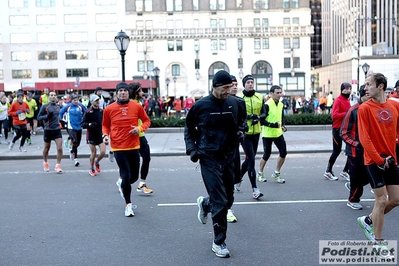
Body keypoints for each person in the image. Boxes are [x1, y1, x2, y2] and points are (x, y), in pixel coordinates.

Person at [185, 70, 243, 258]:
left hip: (229, 156)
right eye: (225, 88)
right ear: (215, 86)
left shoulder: (235, 103)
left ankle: (205, 204)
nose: (229, 91)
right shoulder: (200, 106)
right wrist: (192, 150)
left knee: (228, 199)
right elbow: (189, 128)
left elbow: (241, 124)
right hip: (208, 157)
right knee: (220, 201)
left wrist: (241, 132)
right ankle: (219, 242)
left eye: (231, 87)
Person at [357, 72, 399, 257]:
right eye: (365, 85)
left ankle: (368, 220)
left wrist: (391, 157)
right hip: (374, 161)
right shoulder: (364, 108)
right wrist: (379, 160)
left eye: (369, 84)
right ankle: (378, 242)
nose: (365, 88)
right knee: (381, 201)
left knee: (396, 200)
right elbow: (364, 139)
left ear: (380, 86)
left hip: (391, 159)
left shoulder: (394, 106)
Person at [102, 82, 151, 217]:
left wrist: (139, 129)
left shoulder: (136, 106)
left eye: (125, 91)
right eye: (120, 91)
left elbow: (147, 121)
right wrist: (105, 136)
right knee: (125, 174)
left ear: (129, 93)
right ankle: (128, 205)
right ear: (116, 93)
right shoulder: (109, 109)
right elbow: (105, 125)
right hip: (118, 147)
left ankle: (123, 184)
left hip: (134, 146)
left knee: (134, 176)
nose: (123, 93)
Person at [115, 82, 154, 194]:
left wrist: (140, 128)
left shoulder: (138, 103)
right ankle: (122, 179)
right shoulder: (131, 104)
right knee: (128, 160)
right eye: (141, 90)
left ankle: (141, 183)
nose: (143, 93)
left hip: (140, 134)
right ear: (136, 92)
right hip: (132, 137)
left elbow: (146, 120)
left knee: (146, 158)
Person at [340, 85, 370, 210]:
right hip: (354, 151)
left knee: (371, 175)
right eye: (368, 96)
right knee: (357, 176)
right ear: (362, 96)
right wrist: (356, 143)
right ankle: (353, 199)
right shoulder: (353, 110)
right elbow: (344, 132)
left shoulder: (372, 109)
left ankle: (353, 185)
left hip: (369, 150)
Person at [238, 74, 264, 199]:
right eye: (248, 82)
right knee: (252, 159)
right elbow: (237, 115)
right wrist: (247, 118)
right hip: (245, 133)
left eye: (252, 82)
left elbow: (265, 113)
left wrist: (258, 118)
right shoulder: (239, 98)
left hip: (256, 132)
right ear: (244, 84)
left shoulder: (259, 97)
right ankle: (255, 189)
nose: (250, 84)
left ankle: (236, 179)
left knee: (249, 159)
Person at [226, 75, 247, 223]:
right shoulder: (218, 102)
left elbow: (243, 122)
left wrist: (241, 131)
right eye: (231, 84)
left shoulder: (239, 102)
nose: (234, 87)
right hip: (218, 147)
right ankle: (221, 206)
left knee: (232, 179)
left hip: (233, 146)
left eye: (235, 84)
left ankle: (227, 207)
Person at [257, 85, 287, 184]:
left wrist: (283, 126)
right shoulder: (266, 105)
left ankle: (276, 173)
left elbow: (281, 118)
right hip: (268, 134)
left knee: (283, 152)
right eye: (277, 93)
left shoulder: (281, 105)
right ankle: (260, 173)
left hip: (278, 133)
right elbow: (261, 121)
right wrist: (273, 125)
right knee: (267, 154)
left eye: (280, 92)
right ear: (271, 93)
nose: (279, 95)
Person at [324, 82, 351, 181]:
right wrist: (347, 113)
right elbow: (334, 115)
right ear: (342, 90)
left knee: (352, 149)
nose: (348, 91)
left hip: (345, 129)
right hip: (337, 129)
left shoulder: (347, 100)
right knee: (337, 150)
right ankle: (328, 171)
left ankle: (345, 171)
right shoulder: (338, 100)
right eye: (346, 89)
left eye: (349, 89)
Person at [37, 91, 63, 173]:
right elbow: (38, 117)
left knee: (59, 148)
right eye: (51, 95)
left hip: (57, 129)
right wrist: (47, 116)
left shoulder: (59, 106)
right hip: (48, 129)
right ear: (49, 97)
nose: (53, 96)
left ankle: (58, 165)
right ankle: (45, 162)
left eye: (54, 95)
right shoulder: (45, 106)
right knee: (46, 148)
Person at [81, 94, 106, 176]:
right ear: (91, 102)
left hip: (99, 134)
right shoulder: (88, 112)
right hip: (91, 135)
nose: (97, 102)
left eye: (98, 100)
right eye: (95, 100)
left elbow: (105, 122)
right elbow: (82, 124)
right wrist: (90, 124)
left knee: (103, 152)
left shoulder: (101, 111)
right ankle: (91, 169)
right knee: (93, 152)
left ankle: (97, 161)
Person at [59, 93, 87, 166]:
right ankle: (76, 160)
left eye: (77, 100)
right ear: (71, 100)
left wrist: (85, 120)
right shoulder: (68, 106)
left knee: (78, 143)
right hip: (70, 127)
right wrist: (62, 120)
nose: (76, 101)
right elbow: (61, 112)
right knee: (74, 142)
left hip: (79, 126)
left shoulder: (80, 106)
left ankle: (72, 151)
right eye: (74, 100)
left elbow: (86, 112)